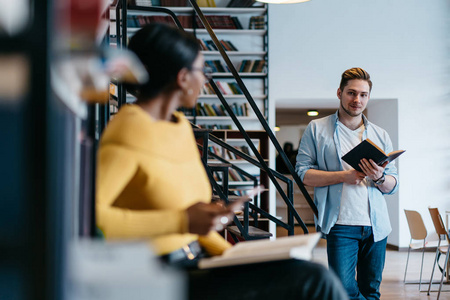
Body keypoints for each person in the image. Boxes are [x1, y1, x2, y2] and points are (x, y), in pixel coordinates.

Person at [96, 23, 348, 300]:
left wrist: (240, 256)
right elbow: (95, 218)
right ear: (182, 77)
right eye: (203, 71)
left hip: (197, 259)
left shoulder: (179, 127)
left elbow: (195, 226)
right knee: (314, 280)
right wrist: (181, 221)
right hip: (160, 274)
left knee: (305, 271)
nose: (205, 81)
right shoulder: (130, 129)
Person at [295, 68, 399, 300]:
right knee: (343, 289)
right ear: (339, 92)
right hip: (341, 224)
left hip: (376, 226)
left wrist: (379, 177)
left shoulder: (380, 134)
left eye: (363, 95)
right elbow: (303, 174)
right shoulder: (317, 128)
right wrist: (343, 176)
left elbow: (393, 184)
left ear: (368, 97)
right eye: (351, 93)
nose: (357, 100)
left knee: (371, 290)